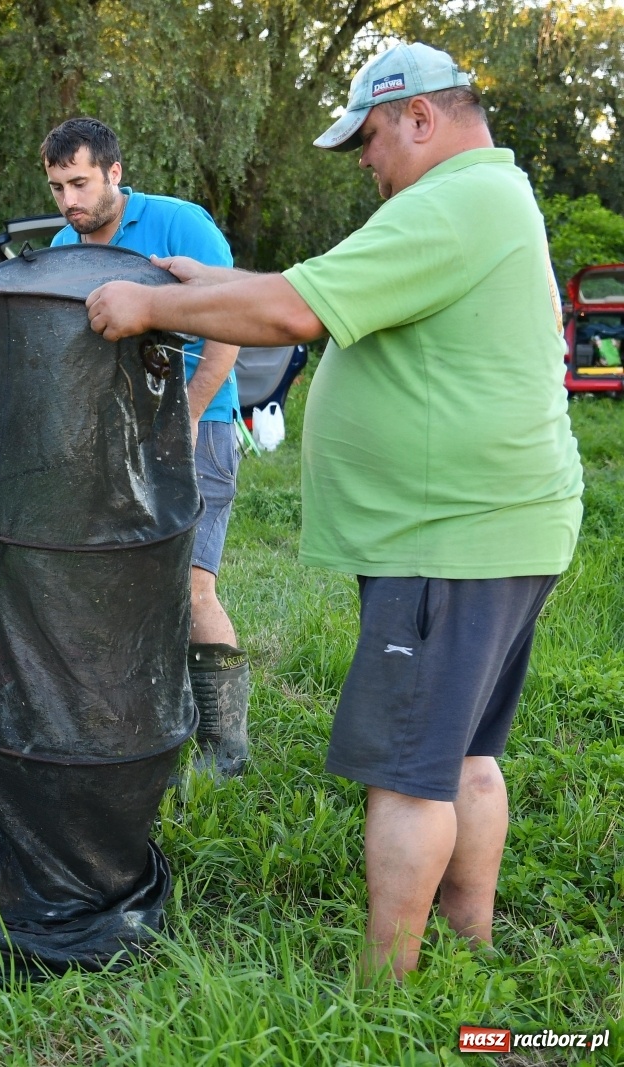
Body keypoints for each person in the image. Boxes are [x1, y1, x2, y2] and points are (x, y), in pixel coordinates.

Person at [82, 43, 583, 980]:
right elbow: (305, 287)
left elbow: (293, 315)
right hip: (497, 526)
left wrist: (150, 309)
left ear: (421, 117)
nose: (365, 160)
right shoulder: (480, 197)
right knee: (465, 755)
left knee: (408, 772)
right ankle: (469, 946)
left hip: (447, 539)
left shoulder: (450, 204)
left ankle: (384, 992)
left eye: (370, 138)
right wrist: (197, 286)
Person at [41, 117, 250, 777]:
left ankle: (224, 749)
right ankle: (135, 727)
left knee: (190, 584)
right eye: (57, 187)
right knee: (115, 582)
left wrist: (187, 414)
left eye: (80, 183)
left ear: (114, 172)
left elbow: (233, 319)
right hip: (109, 434)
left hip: (199, 426)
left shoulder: (178, 224)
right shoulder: (62, 245)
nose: (69, 201)